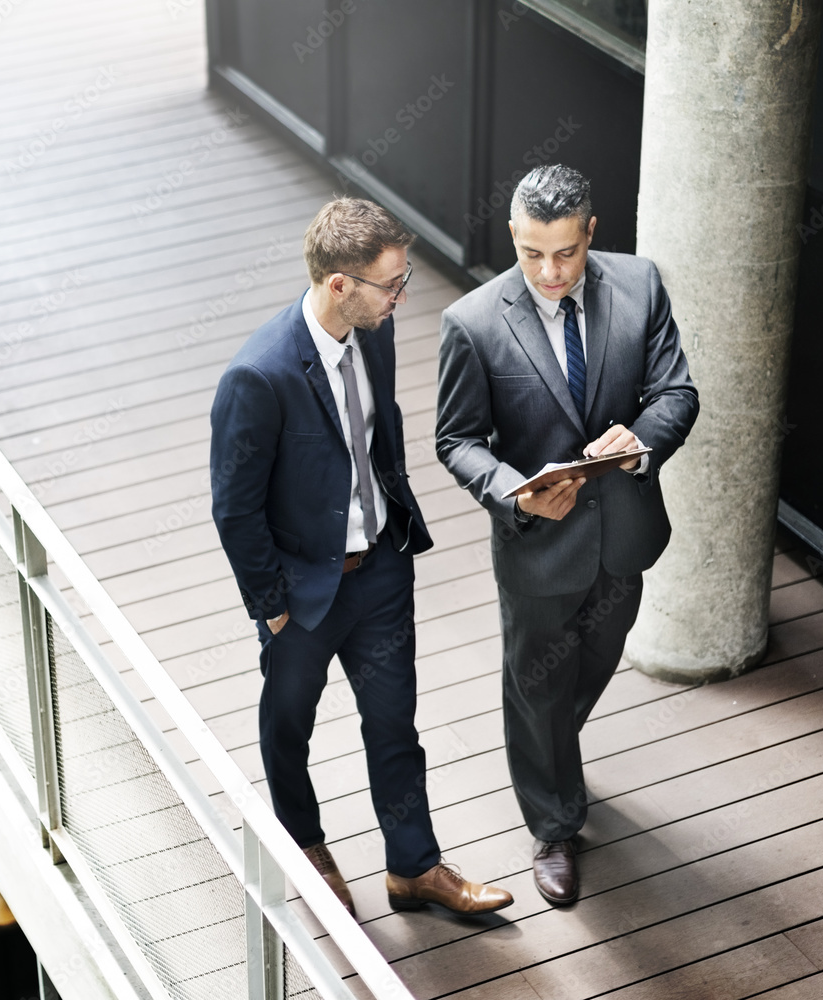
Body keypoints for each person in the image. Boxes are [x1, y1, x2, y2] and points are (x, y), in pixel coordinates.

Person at [210, 197, 512, 918]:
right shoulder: (258, 377)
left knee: (395, 728)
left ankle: (414, 868)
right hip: (303, 595)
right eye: (392, 284)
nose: (402, 297)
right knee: (289, 728)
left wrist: (394, 537)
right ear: (340, 284)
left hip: (379, 571)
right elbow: (235, 508)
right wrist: (274, 608)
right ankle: (306, 850)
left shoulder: (373, 331)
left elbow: (380, 438)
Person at [436, 165, 699, 906]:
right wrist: (513, 497)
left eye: (565, 253)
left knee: (587, 667)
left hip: (624, 534)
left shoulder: (641, 285)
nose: (549, 273)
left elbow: (677, 391)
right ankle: (554, 824)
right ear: (513, 237)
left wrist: (640, 438)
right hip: (537, 547)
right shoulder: (474, 323)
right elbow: (458, 440)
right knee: (537, 682)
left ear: (591, 232)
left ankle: (546, 747)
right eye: (530, 254)